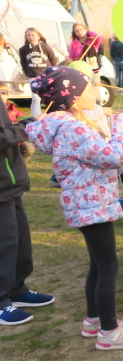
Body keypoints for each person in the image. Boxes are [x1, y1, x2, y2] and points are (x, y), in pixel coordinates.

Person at [24, 66, 123, 350]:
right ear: (72, 97)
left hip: (88, 204)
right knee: (108, 266)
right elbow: (116, 156)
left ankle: (95, 319)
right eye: (89, 88)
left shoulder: (67, 123)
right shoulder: (73, 128)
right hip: (91, 206)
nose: (96, 91)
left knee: (97, 263)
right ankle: (109, 332)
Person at [0, 82, 54, 327]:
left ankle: (17, 289)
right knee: (5, 244)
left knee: (20, 240)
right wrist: (27, 126)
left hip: (10, 183)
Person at [18, 28, 59, 117]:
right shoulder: (23, 49)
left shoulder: (45, 47)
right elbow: (23, 63)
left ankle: (51, 114)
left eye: (33, 35)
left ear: (38, 36)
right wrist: (27, 74)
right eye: (28, 35)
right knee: (36, 98)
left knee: (48, 96)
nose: (31, 37)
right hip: (33, 76)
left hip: (46, 76)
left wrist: (54, 72)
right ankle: (36, 116)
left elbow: (53, 60)